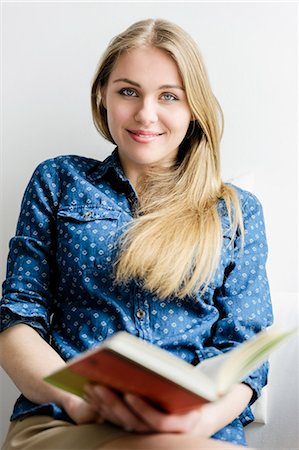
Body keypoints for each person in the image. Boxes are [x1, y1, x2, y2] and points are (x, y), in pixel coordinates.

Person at [0, 18, 273, 450]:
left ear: (193, 108)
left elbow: (246, 351)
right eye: (128, 92)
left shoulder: (235, 211)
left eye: (169, 96)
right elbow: (17, 319)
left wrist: (197, 424)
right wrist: (77, 401)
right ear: (102, 96)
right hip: (66, 422)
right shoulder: (58, 179)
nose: (146, 114)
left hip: (198, 432)